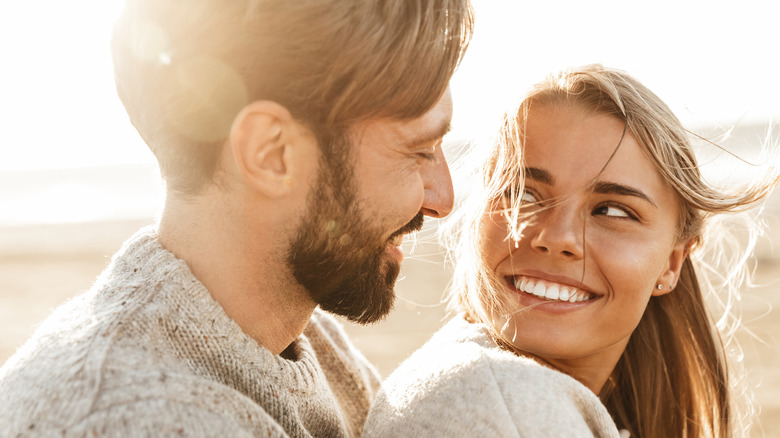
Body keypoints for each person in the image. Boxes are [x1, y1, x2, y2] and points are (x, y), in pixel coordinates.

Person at [0, 1, 473, 436]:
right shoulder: (138, 417)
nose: (442, 198)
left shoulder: (300, 334)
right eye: (420, 150)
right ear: (272, 154)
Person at [363, 65, 778, 437]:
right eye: (524, 193)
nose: (558, 237)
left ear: (672, 264)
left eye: (612, 210)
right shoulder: (501, 401)